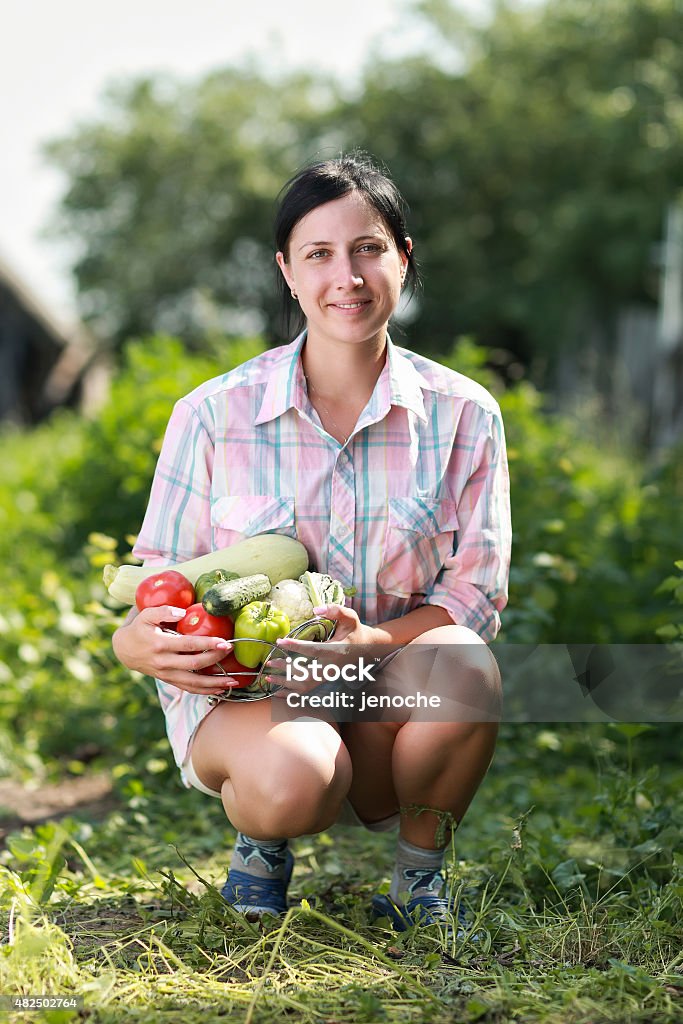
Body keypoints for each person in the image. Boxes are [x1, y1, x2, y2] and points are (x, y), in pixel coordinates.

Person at [112, 153, 511, 932]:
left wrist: (370, 643)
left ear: (403, 258)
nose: (347, 276)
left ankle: (417, 882)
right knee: (296, 780)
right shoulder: (212, 413)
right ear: (286, 272)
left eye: (368, 249)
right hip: (246, 700)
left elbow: (474, 594)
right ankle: (261, 850)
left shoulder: (464, 415)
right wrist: (137, 643)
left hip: (381, 692)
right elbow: (157, 573)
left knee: (466, 663)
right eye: (319, 254)